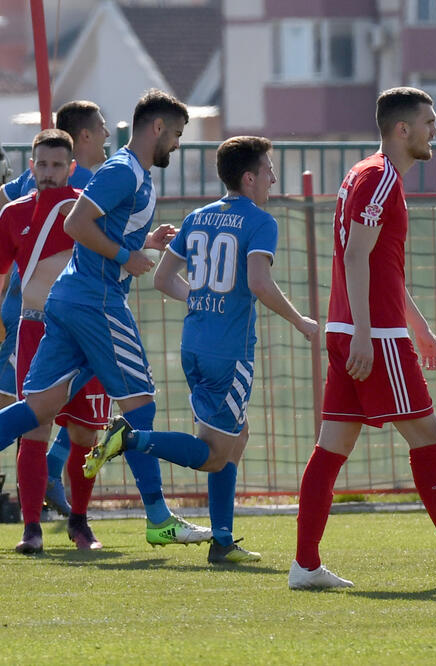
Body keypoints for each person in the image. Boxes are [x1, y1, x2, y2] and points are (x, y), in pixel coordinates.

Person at [290, 87, 436, 590]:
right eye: (429, 121)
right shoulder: (379, 178)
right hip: (371, 334)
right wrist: (363, 331)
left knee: (331, 447)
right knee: (429, 438)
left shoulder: (367, 174)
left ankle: (305, 566)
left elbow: (381, 267)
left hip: (354, 328)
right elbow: (355, 256)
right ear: (403, 130)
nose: (434, 130)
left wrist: (417, 327)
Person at [0, 89, 211, 552]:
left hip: (73, 299)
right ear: (156, 128)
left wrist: (143, 242)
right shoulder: (123, 171)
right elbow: (77, 225)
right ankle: (158, 518)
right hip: (97, 301)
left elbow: (101, 225)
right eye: (175, 133)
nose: (176, 143)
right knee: (140, 404)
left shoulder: (129, 173)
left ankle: (141, 517)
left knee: (38, 408)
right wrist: (126, 255)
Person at [116, 135, 319, 565]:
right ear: (249, 178)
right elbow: (259, 284)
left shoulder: (198, 217)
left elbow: (162, 280)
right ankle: (133, 438)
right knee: (212, 456)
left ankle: (223, 539)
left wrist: (204, 299)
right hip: (229, 353)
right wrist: (300, 321)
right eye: (268, 170)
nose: (273, 178)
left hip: (194, 344)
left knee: (237, 435)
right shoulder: (261, 221)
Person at [0, 129, 111, 550]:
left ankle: (79, 522)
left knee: (85, 434)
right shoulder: (12, 214)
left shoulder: (85, 212)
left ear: (71, 168)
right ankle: (31, 528)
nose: (48, 173)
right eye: (41, 164)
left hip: (84, 333)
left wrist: (149, 244)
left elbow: (113, 255)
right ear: (31, 166)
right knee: (34, 427)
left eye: (57, 165)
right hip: (35, 329)